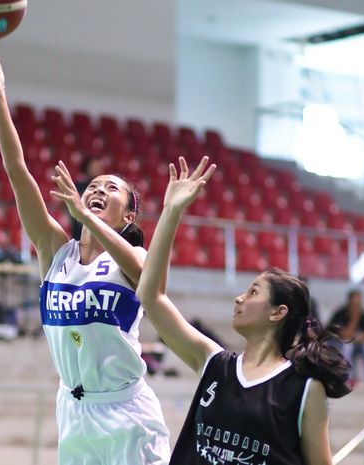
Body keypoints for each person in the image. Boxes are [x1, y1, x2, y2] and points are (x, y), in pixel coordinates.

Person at [0, 48, 170, 464]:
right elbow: (17, 172)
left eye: (110, 188)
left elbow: (148, 279)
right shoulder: (56, 251)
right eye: (92, 185)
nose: (96, 190)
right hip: (74, 410)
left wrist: (85, 218)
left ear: (128, 216)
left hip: (127, 411)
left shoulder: (136, 257)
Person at [136, 157, 352, 465]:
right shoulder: (215, 364)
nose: (239, 299)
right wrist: (171, 212)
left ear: (278, 312)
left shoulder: (305, 389)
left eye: (253, 292)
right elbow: (150, 296)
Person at [327, 290, 364, 388]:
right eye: (355, 303)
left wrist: (356, 338)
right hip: (335, 343)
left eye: (359, 303)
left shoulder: (363, 314)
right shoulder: (340, 314)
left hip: (354, 342)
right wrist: (354, 319)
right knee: (348, 347)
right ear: (349, 301)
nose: (357, 305)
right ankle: (347, 378)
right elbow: (345, 335)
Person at [72, 156, 107, 240]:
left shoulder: (105, 189)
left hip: (100, 233)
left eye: (99, 167)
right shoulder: (78, 187)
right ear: (87, 168)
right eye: (94, 167)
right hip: (79, 231)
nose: (97, 169)